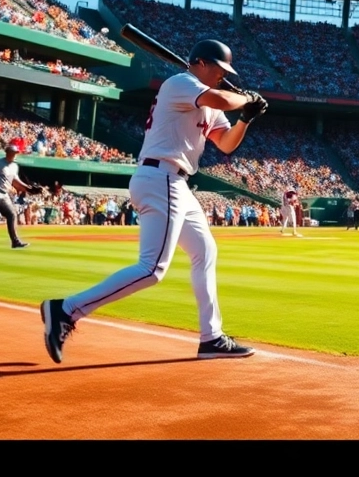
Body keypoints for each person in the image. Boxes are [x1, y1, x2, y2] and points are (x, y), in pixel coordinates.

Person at [40, 39, 269, 363]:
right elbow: (219, 96)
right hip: (160, 177)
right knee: (152, 269)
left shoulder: (209, 102)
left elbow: (227, 144)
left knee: (205, 251)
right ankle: (66, 309)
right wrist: (245, 97)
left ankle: (212, 338)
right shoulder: (181, 83)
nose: (222, 75)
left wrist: (246, 118)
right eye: (219, 68)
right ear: (201, 63)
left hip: (176, 182)